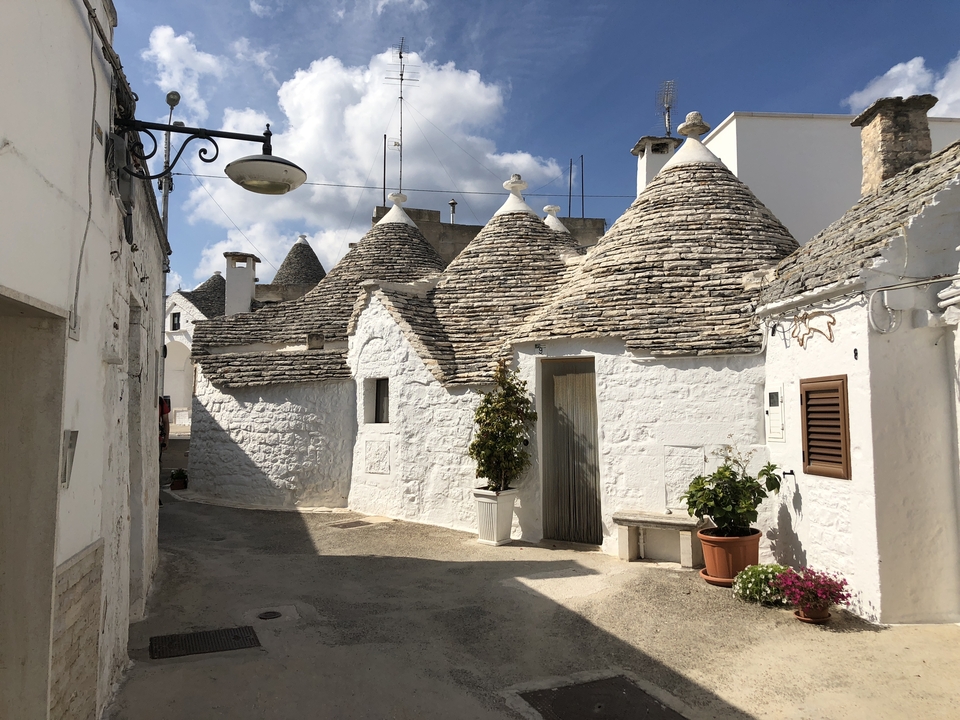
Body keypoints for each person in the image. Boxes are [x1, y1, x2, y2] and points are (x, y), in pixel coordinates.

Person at [159, 395, 171, 506]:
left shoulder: (160, 401)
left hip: (157, 440)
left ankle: (157, 494)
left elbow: (166, 421)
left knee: (157, 467)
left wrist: (166, 439)